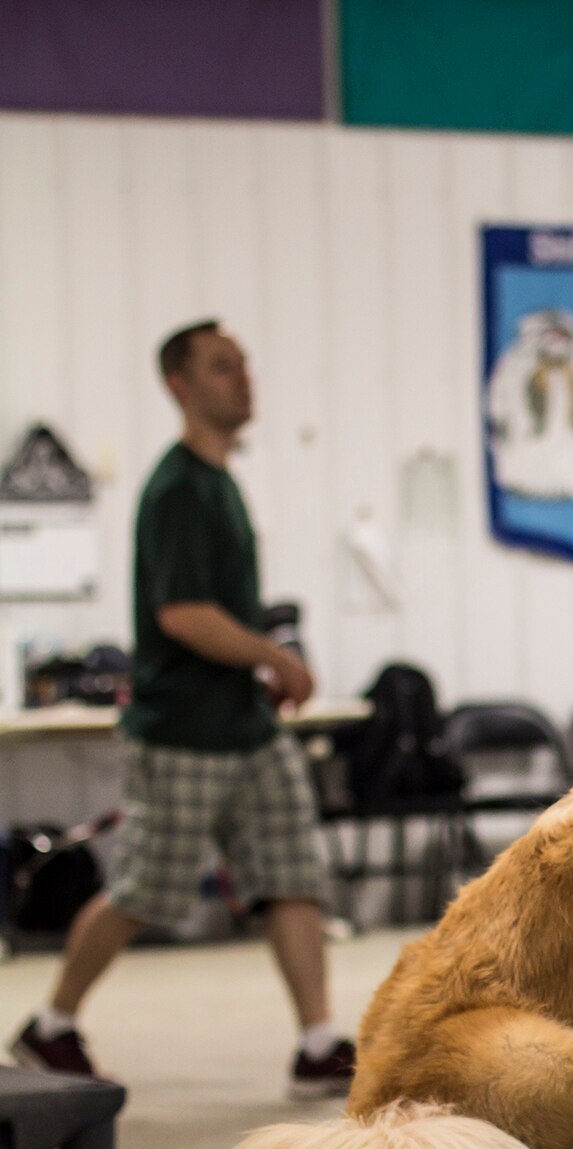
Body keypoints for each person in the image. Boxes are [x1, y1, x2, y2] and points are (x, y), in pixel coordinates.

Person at [11, 321, 356, 1099]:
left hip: (245, 726)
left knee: (293, 873)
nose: (243, 379)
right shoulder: (176, 489)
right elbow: (183, 615)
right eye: (222, 367)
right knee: (144, 891)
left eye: (243, 365)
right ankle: (52, 1023)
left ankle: (317, 1041)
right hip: (182, 736)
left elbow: (216, 615)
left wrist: (259, 668)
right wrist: (274, 654)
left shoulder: (222, 481)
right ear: (180, 385)